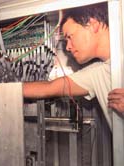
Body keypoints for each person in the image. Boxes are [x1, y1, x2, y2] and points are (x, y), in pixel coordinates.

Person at [23, 2, 124, 130]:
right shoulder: (99, 73)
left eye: (70, 37)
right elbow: (49, 88)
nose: (68, 47)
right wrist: (0, 89)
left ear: (93, 25)